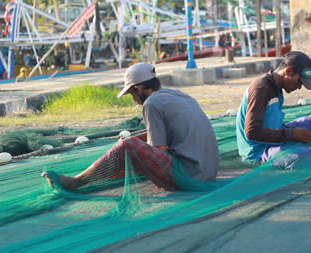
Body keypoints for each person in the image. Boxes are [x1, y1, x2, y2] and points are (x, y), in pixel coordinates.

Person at [42, 62, 220, 191]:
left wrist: (127, 149)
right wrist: (136, 141)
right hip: (207, 172)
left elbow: (160, 149)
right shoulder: (177, 95)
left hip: (188, 177)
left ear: (140, 88)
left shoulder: (152, 103)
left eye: (132, 94)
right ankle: (87, 177)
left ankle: (77, 182)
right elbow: (164, 132)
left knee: (127, 146)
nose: (134, 100)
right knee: (132, 142)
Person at [236, 51, 311, 166]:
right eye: (299, 82)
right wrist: (290, 134)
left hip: (275, 139)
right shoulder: (261, 89)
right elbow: (252, 132)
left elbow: (271, 122)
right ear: (288, 71)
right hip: (259, 152)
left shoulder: (276, 87)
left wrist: (291, 130)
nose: (298, 87)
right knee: (301, 154)